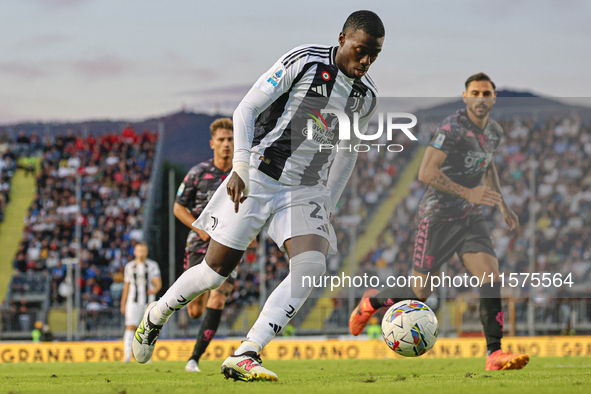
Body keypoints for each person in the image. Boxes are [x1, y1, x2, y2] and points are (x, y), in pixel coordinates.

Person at [133, 10, 384, 381]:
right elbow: (246, 108)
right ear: (343, 37)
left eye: (374, 55)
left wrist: (327, 203)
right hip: (260, 175)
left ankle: (248, 351)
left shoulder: (366, 97)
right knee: (213, 273)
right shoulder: (305, 60)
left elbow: (347, 153)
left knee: (312, 267)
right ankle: (156, 315)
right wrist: (240, 167)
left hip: (306, 189)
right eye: (361, 50)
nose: (365, 60)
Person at [349, 73, 529, 371]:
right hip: (438, 217)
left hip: (471, 217)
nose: (480, 99)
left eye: (486, 94)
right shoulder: (452, 128)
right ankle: (372, 302)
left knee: (491, 277)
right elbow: (426, 172)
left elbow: (488, 166)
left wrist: (503, 205)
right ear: (465, 96)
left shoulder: (494, 132)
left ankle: (494, 354)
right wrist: (467, 191)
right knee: (421, 293)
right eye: (475, 93)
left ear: (494, 98)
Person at [173, 118, 234, 372]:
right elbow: (178, 207)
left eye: (230, 139)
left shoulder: (243, 173)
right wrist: (202, 231)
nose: (227, 144)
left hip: (231, 245)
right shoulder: (198, 173)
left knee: (218, 298)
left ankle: (193, 360)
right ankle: (200, 294)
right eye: (221, 140)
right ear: (212, 144)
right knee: (195, 310)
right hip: (199, 245)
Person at [120, 242, 162, 363]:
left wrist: (154, 289)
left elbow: (158, 283)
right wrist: (123, 304)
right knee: (130, 326)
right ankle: (127, 354)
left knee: (148, 328)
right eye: (139, 250)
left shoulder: (152, 265)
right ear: (134, 252)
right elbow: (126, 286)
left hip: (148, 302)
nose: (141, 253)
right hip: (132, 302)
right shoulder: (129, 266)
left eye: (143, 250)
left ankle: (146, 356)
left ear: (147, 252)